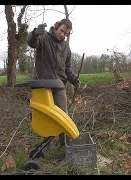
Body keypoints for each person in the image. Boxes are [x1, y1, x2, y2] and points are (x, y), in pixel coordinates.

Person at [27, 18, 80, 146]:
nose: (63, 35)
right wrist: (34, 33)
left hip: (59, 85)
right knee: (46, 116)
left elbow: (67, 68)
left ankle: (65, 145)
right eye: (61, 31)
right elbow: (32, 43)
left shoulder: (66, 46)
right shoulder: (43, 37)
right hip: (42, 85)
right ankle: (46, 146)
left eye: (66, 33)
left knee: (63, 116)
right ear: (56, 26)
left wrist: (74, 79)